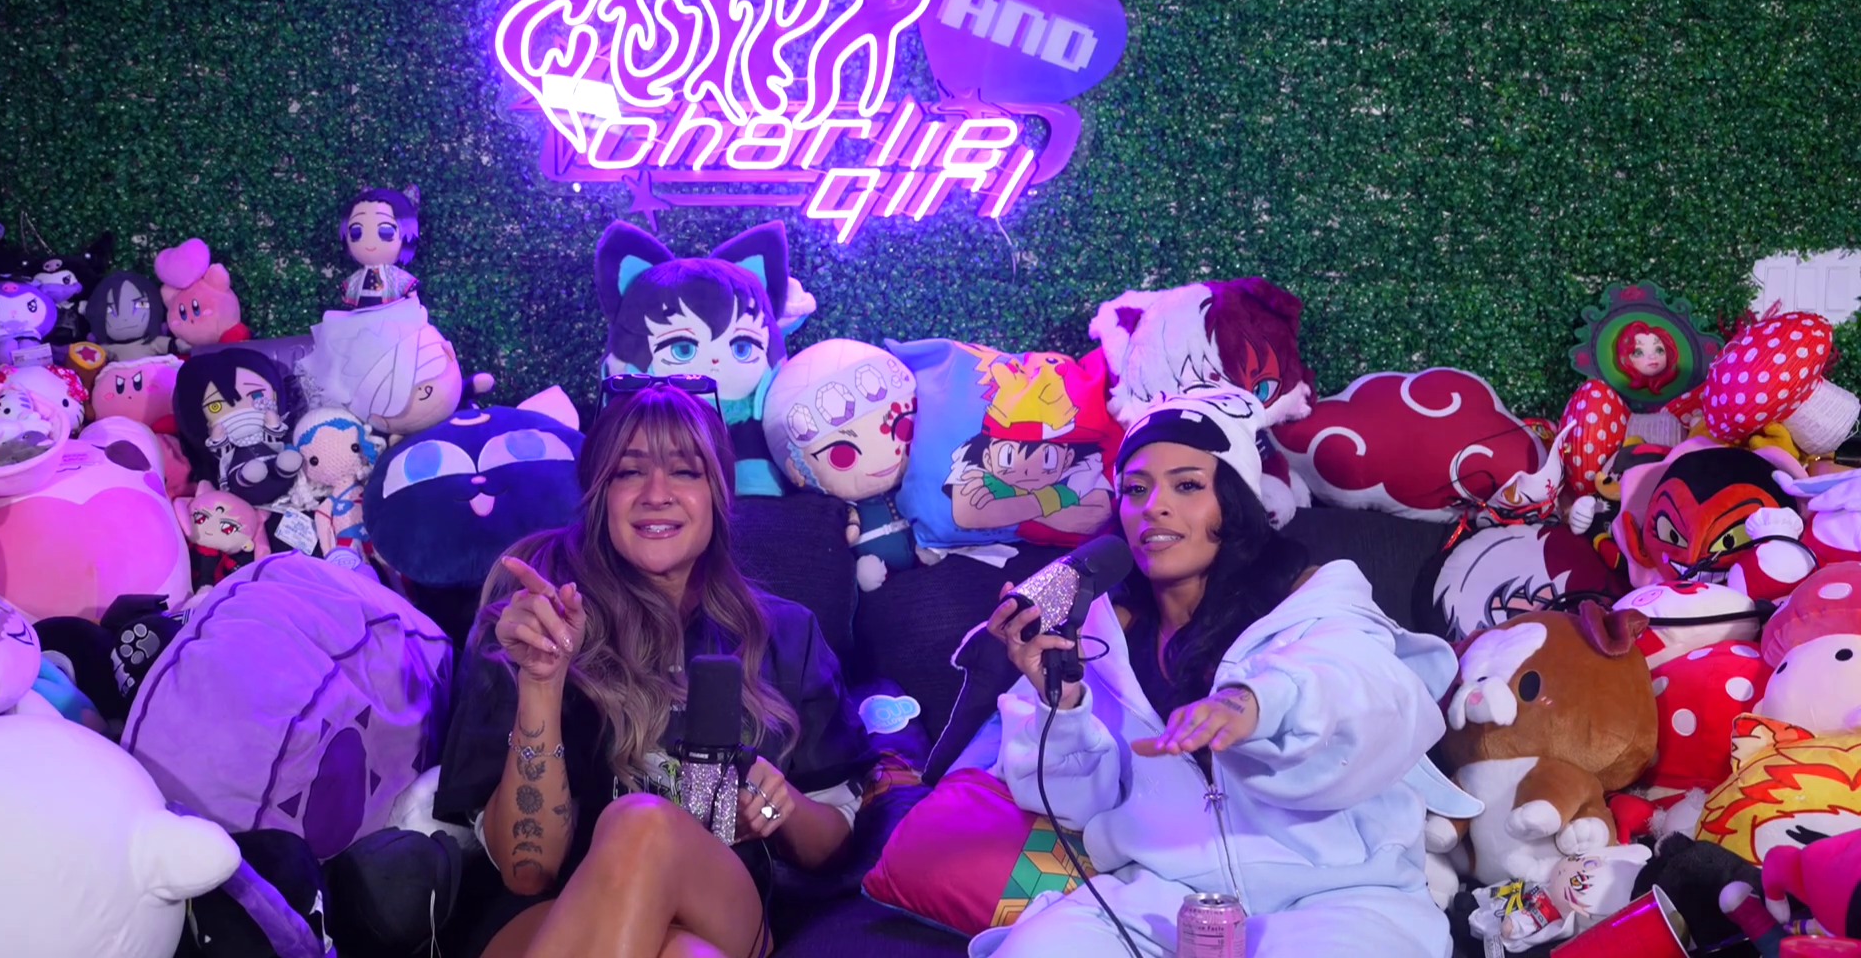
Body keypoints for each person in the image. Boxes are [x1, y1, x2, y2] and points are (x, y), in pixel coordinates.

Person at [972, 392, 1464, 958]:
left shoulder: (1313, 603)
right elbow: (1073, 805)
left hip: (1336, 897)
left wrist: (1254, 704)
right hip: (1161, 896)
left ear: (1232, 503)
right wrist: (1061, 701)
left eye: (1186, 485)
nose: (1154, 507)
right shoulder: (1096, 635)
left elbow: (1363, 686)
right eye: (1136, 489)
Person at [433, 379, 874, 958]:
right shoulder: (534, 618)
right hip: (553, 914)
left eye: (685, 472)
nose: (656, 494)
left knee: (644, 824)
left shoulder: (787, 635)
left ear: (718, 493)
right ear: (600, 493)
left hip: (722, 904)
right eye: (629, 472)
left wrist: (776, 803)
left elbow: (831, 849)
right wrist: (541, 682)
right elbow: (528, 872)